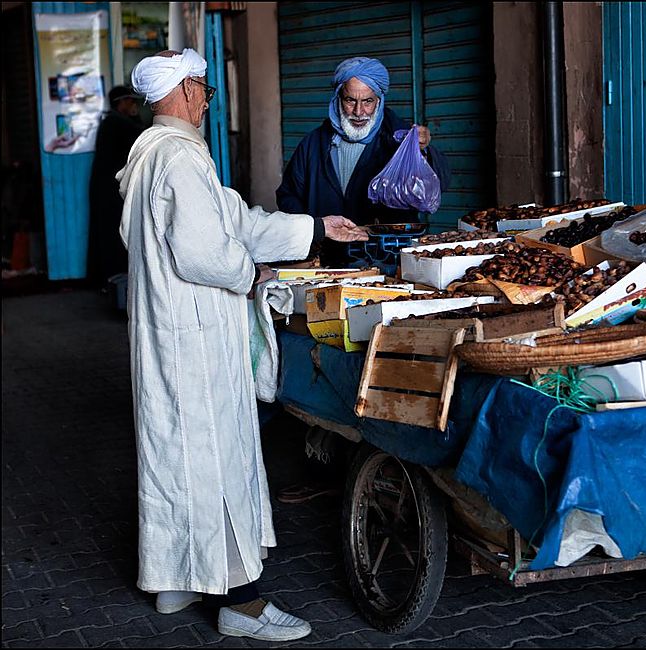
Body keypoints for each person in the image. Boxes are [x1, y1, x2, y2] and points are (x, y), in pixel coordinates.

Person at [118, 48, 368, 642]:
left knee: (173, 459)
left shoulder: (151, 155)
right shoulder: (177, 158)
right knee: (214, 462)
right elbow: (209, 251)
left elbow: (234, 218)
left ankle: (175, 577)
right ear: (180, 92)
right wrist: (250, 274)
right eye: (202, 88)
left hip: (167, 335)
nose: (207, 98)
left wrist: (314, 227)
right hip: (195, 341)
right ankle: (241, 604)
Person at [275, 56, 451, 265]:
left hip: (385, 262)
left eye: (368, 101)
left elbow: (438, 183)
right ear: (338, 98)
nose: (359, 112)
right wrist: (315, 231)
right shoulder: (313, 144)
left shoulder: (399, 140)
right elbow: (288, 195)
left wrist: (423, 152)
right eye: (350, 100)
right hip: (326, 262)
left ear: (379, 100)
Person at [88, 85, 145, 286]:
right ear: (120, 103)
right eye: (130, 101)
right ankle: (111, 278)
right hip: (108, 189)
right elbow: (142, 135)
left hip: (107, 186)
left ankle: (107, 277)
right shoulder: (115, 122)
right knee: (111, 233)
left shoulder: (115, 121)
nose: (134, 105)